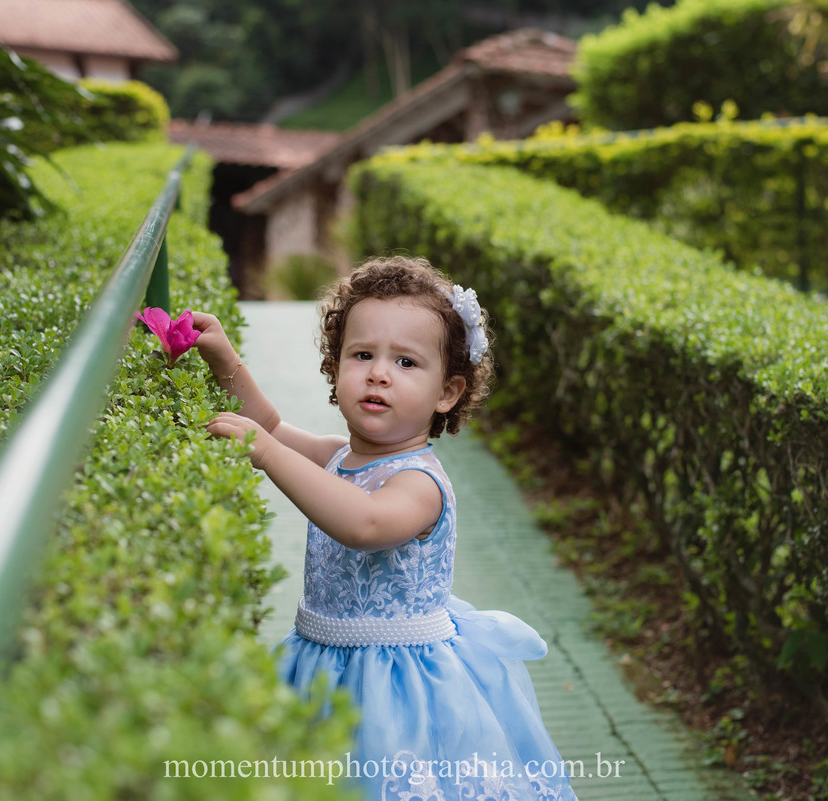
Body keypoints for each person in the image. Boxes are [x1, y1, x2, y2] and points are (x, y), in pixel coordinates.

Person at [193, 256, 578, 801]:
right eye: (362, 355)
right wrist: (225, 360)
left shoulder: (419, 484)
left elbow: (364, 522)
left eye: (406, 362)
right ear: (336, 368)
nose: (378, 372)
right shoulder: (338, 456)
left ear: (447, 393)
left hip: (399, 692)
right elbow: (272, 425)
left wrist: (265, 453)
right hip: (322, 663)